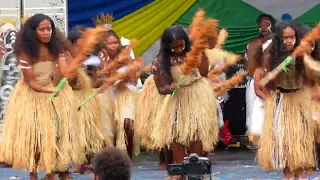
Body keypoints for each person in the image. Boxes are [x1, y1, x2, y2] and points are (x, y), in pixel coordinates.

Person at [0, 13, 84, 180]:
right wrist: (50, 92)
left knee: (53, 134)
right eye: (42, 29)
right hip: (32, 96)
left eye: (49, 29)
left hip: (52, 92)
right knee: (35, 136)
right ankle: (33, 174)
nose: (47, 32)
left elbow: (65, 72)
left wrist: (73, 64)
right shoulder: (26, 52)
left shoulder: (56, 48)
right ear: (33, 31)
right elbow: (31, 82)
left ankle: (51, 172)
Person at [150, 25, 218, 175]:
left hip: (196, 94)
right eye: (174, 47)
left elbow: (204, 74)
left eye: (181, 45)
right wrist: (170, 87)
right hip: (176, 98)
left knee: (195, 132)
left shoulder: (193, 54)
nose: (178, 49)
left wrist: (201, 55)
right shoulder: (160, 61)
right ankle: (181, 169)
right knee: (176, 134)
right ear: (166, 45)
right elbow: (161, 89)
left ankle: (195, 169)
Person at [256, 21, 318, 179]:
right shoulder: (271, 56)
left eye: (292, 37)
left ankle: (298, 172)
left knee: (299, 138)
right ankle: (288, 173)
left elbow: (311, 78)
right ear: (279, 39)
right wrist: (276, 72)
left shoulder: (302, 55)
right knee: (284, 139)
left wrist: (305, 58)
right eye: (285, 38)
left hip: (298, 100)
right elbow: (265, 84)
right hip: (281, 100)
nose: (290, 41)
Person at [66, 25, 114, 174]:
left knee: (92, 133)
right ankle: (81, 163)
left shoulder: (95, 57)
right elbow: (69, 81)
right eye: (79, 43)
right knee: (79, 133)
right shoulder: (68, 57)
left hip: (92, 97)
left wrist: (95, 76)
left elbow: (100, 79)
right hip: (75, 98)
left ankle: (93, 163)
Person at [101, 30, 140, 161]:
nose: (114, 46)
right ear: (104, 45)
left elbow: (134, 80)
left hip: (126, 94)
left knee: (126, 122)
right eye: (110, 43)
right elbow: (101, 79)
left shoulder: (127, 57)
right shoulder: (102, 60)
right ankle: (112, 156)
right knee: (111, 126)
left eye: (116, 42)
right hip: (109, 95)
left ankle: (128, 156)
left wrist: (124, 79)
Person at [245, 14, 274, 140]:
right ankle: (256, 140)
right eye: (261, 25)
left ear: (272, 25)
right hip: (255, 82)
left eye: (266, 24)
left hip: (274, 82)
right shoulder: (252, 44)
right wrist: (257, 76)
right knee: (253, 113)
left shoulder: (278, 43)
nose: (263, 27)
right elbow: (247, 63)